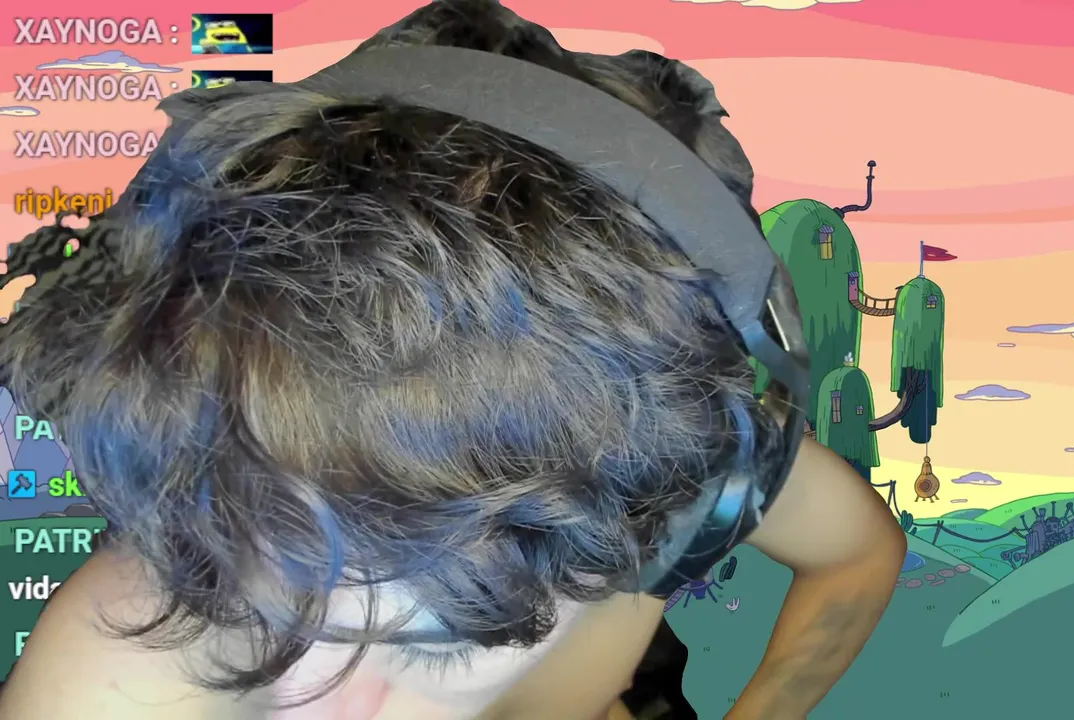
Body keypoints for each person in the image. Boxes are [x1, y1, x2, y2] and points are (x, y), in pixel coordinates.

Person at [0, 1, 904, 718]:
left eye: (434, 639)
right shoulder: (114, 669)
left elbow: (857, 557)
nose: (320, 705)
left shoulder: (689, 478)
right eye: (248, 592)